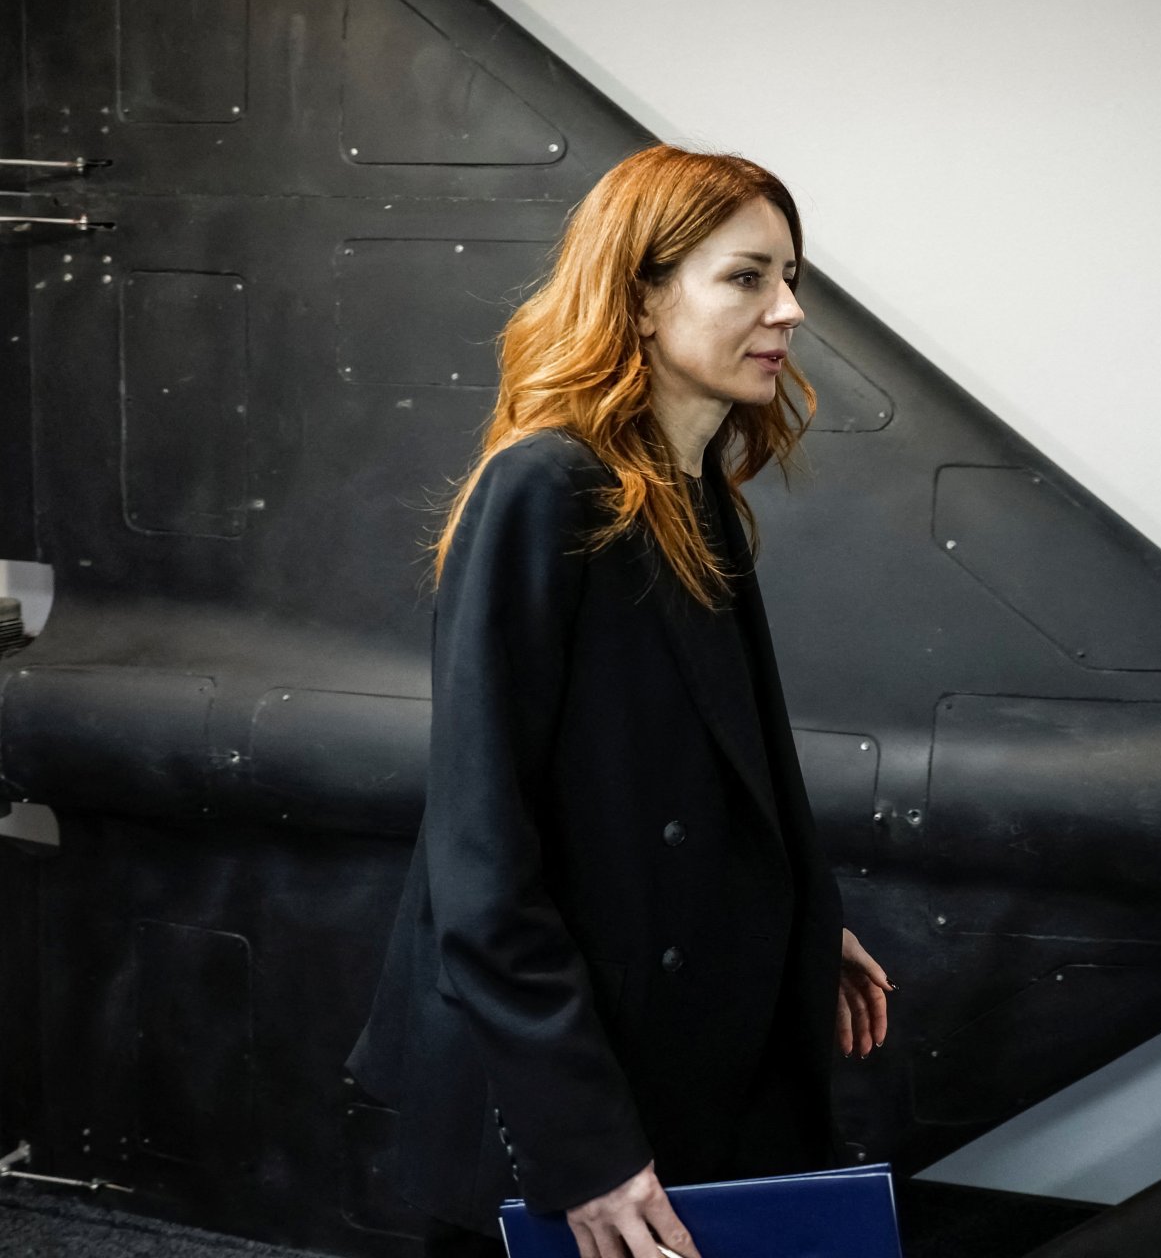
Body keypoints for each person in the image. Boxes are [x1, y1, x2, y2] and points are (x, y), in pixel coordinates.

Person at [344, 145, 893, 1258]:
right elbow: (480, 852)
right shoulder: (544, 486)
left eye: (790, 278)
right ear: (640, 298)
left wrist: (794, 923)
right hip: (569, 1075)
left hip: (674, 1036)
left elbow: (703, 773)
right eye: (746, 277)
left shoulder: (697, 495)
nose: (788, 310)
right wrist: (580, 1142)